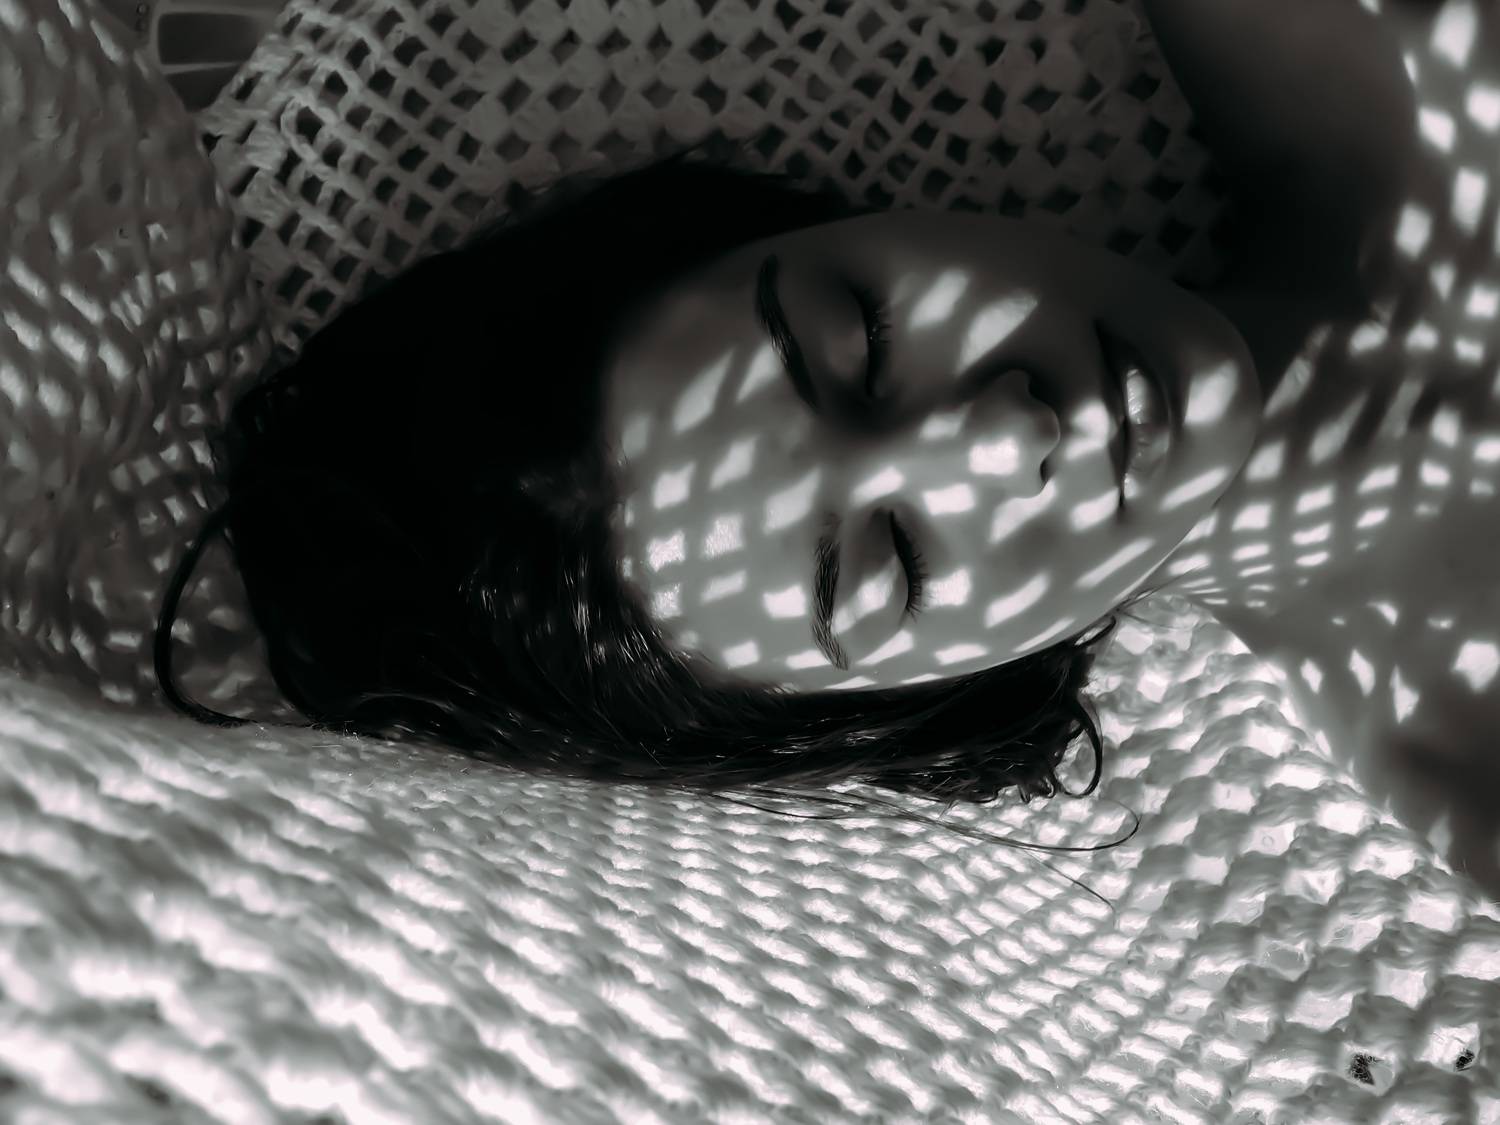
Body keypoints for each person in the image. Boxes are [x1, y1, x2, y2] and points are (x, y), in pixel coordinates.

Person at [156, 0, 1449, 852]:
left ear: (842, 216)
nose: (1005, 435)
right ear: (937, 695)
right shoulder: (1462, 775)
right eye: (894, 562)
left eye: (861, 335)